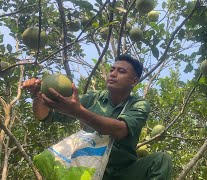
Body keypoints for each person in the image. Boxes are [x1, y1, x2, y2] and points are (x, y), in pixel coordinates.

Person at [22, 54, 172, 180]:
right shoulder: (93, 99)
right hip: (88, 170)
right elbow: (44, 116)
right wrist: (37, 95)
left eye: (121, 71)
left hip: (123, 174)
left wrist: (77, 111)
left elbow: (119, 130)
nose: (113, 74)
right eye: (112, 69)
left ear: (134, 81)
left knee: (161, 160)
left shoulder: (139, 104)